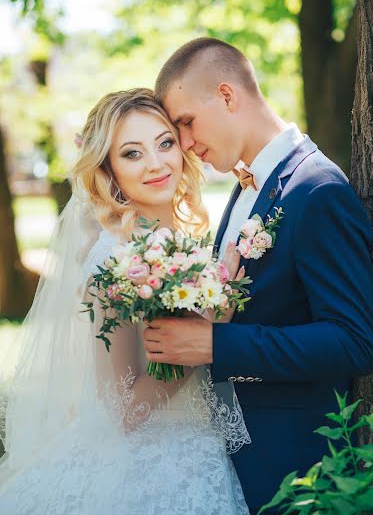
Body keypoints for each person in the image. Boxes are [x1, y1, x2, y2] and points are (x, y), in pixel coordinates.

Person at [143, 37, 373, 514]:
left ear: (227, 96)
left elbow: (354, 341)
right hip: (239, 455)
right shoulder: (246, 186)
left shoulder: (317, 189)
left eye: (186, 122)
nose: (185, 144)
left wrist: (214, 345)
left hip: (293, 467)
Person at [0, 88, 251, 514]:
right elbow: (125, 411)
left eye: (165, 143)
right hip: (152, 467)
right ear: (109, 169)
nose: (156, 164)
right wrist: (211, 330)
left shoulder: (180, 240)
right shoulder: (114, 263)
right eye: (132, 153)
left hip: (198, 444)